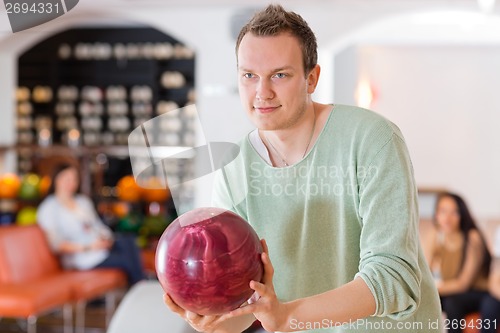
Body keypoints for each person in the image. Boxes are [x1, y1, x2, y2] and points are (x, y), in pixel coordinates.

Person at [164, 4, 442, 333]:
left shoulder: (371, 139)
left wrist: (285, 317)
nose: (261, 92)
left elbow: (393, 279)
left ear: (311, 78)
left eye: (279, 75)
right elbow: (248, 306)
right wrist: (215, 318)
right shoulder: (234, 168)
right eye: (249, 76)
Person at [37, 162, 145, 285]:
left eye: (74, 179)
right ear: (56, 179)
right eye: (66, 178)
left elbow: (97, 226)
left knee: (128, 240)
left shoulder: (83, 202)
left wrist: (106, 239)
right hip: (81, 257)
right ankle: (141, 286)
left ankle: (140, 286)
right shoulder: (49, 208)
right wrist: (89, 247)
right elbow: (56, 245)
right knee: (127, 260)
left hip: (100, 248)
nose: (71, 182)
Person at [424, 192, 492, 333]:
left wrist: (432, 289)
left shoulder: (473, 237)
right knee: (421, 302)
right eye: (443, 211)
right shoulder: (437, 236)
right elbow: (425, 272)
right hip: (451, 291)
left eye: (454, 212)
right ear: (436, 215)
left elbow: (463, 283)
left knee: (452, 302)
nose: (447, 218)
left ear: (462, 215)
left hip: (477, 292)